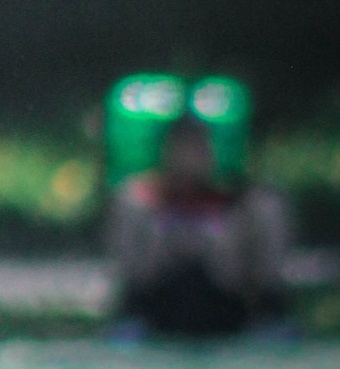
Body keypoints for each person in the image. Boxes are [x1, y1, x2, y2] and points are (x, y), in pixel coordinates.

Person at [109, 114, 289, 338]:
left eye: (197, 147)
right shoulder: (141, 201)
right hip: (159, 304)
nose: (189, 156)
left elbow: (250, 271)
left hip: (227, 302)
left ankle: (267, 317)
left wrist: (216, 248)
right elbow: (135, 272)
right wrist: (168, 245)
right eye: (182, 147)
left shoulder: (241, 203)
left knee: (266, 206)